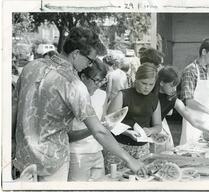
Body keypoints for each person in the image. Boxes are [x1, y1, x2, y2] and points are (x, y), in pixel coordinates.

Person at [12, 26, 146, 181]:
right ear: (75, 53)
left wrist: (11, 142)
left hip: (23, 158)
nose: (90, 65)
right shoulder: (73, 84)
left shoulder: (30, 67)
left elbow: (14, 108)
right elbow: (99, 131)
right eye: (90, 60)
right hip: (53, 162)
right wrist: (130, 160)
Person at [104, 62, 162, 172]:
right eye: (144, 83)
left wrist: (150, 130)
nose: (147, 88)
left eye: (151, 84)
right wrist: (128, 132)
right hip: (118, 147)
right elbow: (108, 123)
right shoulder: (122, 95)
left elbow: (158, 126)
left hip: (142, 149)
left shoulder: (154, 100)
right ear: (136, 78)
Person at [157, 67, 209, 151]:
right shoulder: (151, 93)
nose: (174, 89)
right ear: (161, 83)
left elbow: (194, 122)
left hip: (158, 132)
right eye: (171, 86)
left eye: (175, 86)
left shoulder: (174, 100)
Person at [179, 38, 209, 145]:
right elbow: (189, 101)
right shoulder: (190, 70)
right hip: (193, 122)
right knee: (190, 154)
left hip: (206, 120)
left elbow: (203, 96)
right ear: (204, 52)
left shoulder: (207, 69)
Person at [68, 58, 108, 181]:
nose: (99, 84)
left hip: (97, 152)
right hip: (77, 154)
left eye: (102, 81)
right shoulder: (72, 95)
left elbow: (103, 122)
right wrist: (94, 129)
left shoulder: (102, 95)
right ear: (83, 77)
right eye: (96, 80)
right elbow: (68, 135)